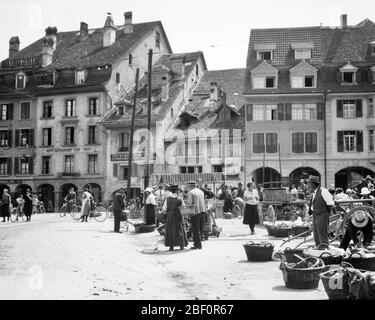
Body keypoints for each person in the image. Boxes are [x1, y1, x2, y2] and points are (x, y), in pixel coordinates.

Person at [307, 175, 334, 249]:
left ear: (313, 183)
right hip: (316, 215)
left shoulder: (323, 191)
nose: (308, 185)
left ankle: (324, 248)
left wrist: (327, 214)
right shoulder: (314, 193)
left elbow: (330, 204)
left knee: (322, 232)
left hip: (322, 214)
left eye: (309, 183)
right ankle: (319, 247)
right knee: (316, 232)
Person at [163, 185, 188, 251]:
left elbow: (164, 209)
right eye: (178, 190)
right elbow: (183, 207)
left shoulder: (167, 199)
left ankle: (171, 246)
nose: (179, 191)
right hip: (178, 215)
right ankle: (181, 245)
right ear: (176, 191)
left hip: (170, 216)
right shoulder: (180, 199)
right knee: (179, 229)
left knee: (170, 230)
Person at [186, 181, 206, 250]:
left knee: (195, 229)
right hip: (202, 211)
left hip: (195, 213)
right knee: (200, 229)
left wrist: (187, 213)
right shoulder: (201, 192)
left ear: (190, 186)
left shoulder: (191, 192)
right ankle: (198, 243)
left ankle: (197, 245)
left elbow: (189, 204)